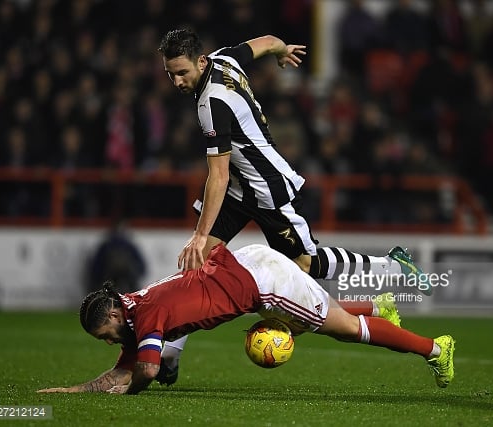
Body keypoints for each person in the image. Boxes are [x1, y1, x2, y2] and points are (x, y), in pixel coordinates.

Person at [155, 27, 434, 384]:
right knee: (199, 265)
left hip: (267, 188)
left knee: (307, 264)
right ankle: (171, 356)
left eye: (182, 73)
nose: (177, 81)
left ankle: (393, 265)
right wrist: (282, 51)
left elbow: (218, 175)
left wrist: (199, 233)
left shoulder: (212, 103)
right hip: (243, 188)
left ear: (201, 61)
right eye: (170, 74)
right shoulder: (225, 58)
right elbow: (268, 42)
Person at [37, 244, 455, 395]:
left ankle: (436, 349)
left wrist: (127, 393)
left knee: (345, 330)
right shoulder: (133, 307)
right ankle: (379, 308)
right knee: (319, 317)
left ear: (112, 313)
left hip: (262, 281)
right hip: (245, 266)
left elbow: (145, 370)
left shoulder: (145, 317)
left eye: (105, 335)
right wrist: (72, 390)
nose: (111, 342)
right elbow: (123, 368)